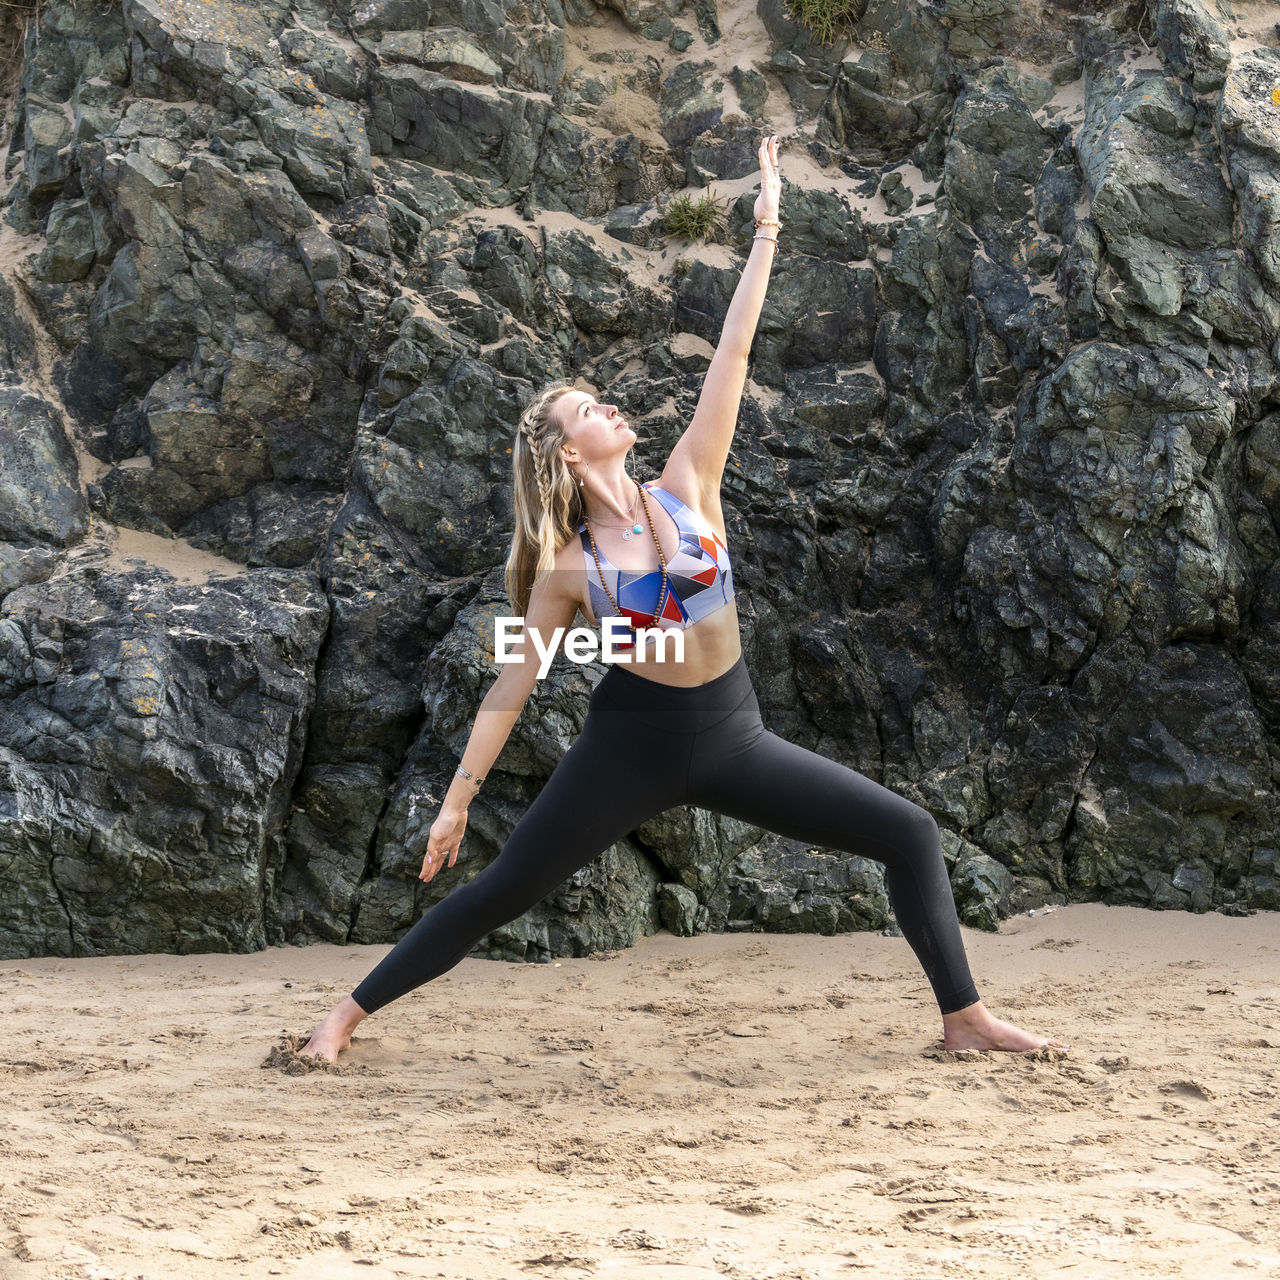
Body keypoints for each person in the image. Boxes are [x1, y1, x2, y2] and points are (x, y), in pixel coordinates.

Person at [299, 136, 1069, 1065]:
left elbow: (733, 355)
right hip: (630, 746)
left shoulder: (687, 487)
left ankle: (963, 1016)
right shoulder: (566, 569)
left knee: (908, 831)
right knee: (503, 889)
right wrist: (457, 801)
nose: (610, 408)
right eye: (589, 409)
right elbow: (510, 688)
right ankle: (342, 1017)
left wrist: (768, 231)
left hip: (735, 736)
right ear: (566, 454)